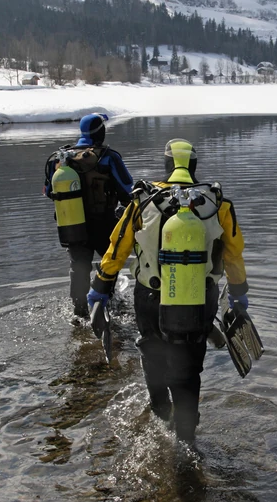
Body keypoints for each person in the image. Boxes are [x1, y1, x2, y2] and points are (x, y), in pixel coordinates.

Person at [86, 139, 249, 449]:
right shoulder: (218, 204)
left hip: (149, 296)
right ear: (194, 166)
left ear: (166, 165)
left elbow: (117, 247)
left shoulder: (142, 201)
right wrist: (239, 294)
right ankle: (187, 440)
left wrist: (100, 287)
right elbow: (233, 254)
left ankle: (161, 414)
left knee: (153, 354)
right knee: (188, 369)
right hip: (200, 299)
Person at [44, 113, 133, 318]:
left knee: (78, 267)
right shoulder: (107, 157)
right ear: (99, 132)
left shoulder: (59, 159)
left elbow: (50, 192)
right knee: (110, 264)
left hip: (72, 224)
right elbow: (128, 192)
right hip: (104, 222)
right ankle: (107, 304)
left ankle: (79, 312)